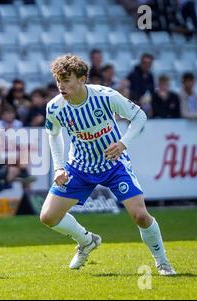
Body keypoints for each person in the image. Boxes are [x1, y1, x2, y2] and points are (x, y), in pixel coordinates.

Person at [41, 54, 176, 275]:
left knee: (140, 216)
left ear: (82, 79)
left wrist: (123, 144)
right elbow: (53, 134)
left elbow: (139, 117)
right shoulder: (55, 107)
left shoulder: (105, 96)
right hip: (79, 167)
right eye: (58, 80)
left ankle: (162, 261)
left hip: (114, 165)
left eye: (66, 80)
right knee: (48, 217)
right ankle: (86, 241)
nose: (61, 86)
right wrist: (58, 166)